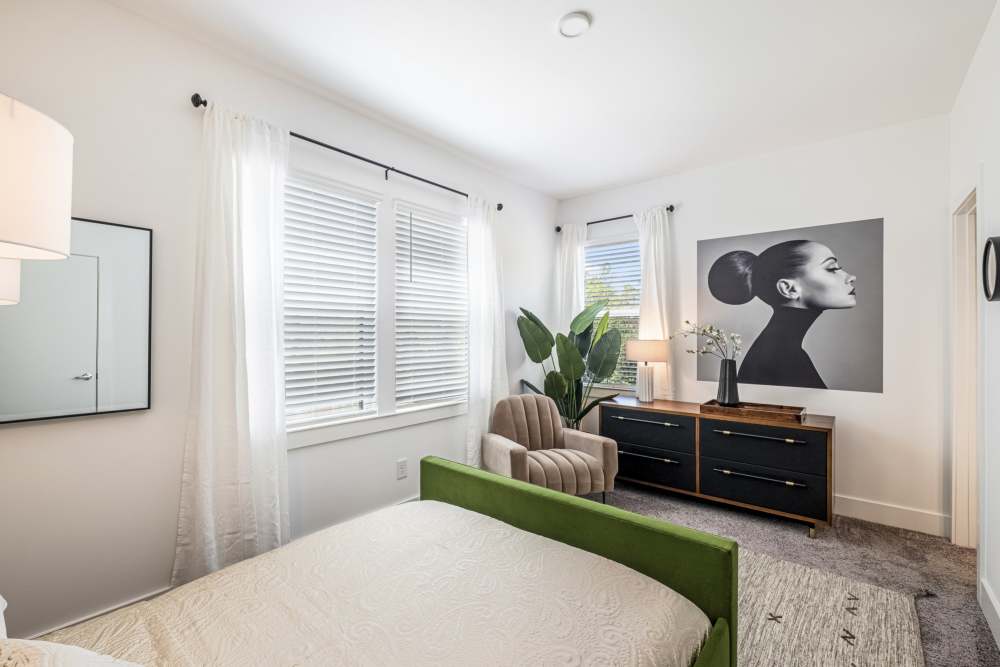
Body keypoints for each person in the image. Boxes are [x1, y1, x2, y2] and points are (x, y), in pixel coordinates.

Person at [708, 240, 856, 388]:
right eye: (832, 268)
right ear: (788, 289)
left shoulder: (776, 350)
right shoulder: (783, 357)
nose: (851, 277)